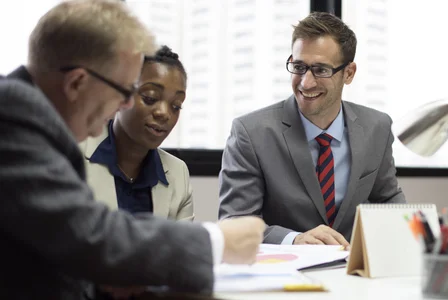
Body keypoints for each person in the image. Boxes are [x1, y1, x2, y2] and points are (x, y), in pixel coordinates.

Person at [0, 1, 264, 299]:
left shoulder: (27, 116)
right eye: (127, 92)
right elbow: (87, 235)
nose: (126, 105)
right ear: (76, 83)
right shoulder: (14, 114)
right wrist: (217, 241)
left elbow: (52, 253)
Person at [218, 12, 406, 247]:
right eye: (299, 67)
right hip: (284, 273)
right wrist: (294, 239)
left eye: (321, 70)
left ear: (349, 73)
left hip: (351, 272)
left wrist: (421, 234)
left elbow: (388, 200)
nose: (306, 82)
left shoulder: (377, 127)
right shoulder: (250, 133)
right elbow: (235, 222)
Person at [80, 45, 194, 221]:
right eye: (150, 98)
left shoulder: (178, 174)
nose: (164, 113)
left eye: (176, 105)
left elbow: (185, 247)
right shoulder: (73, 155)